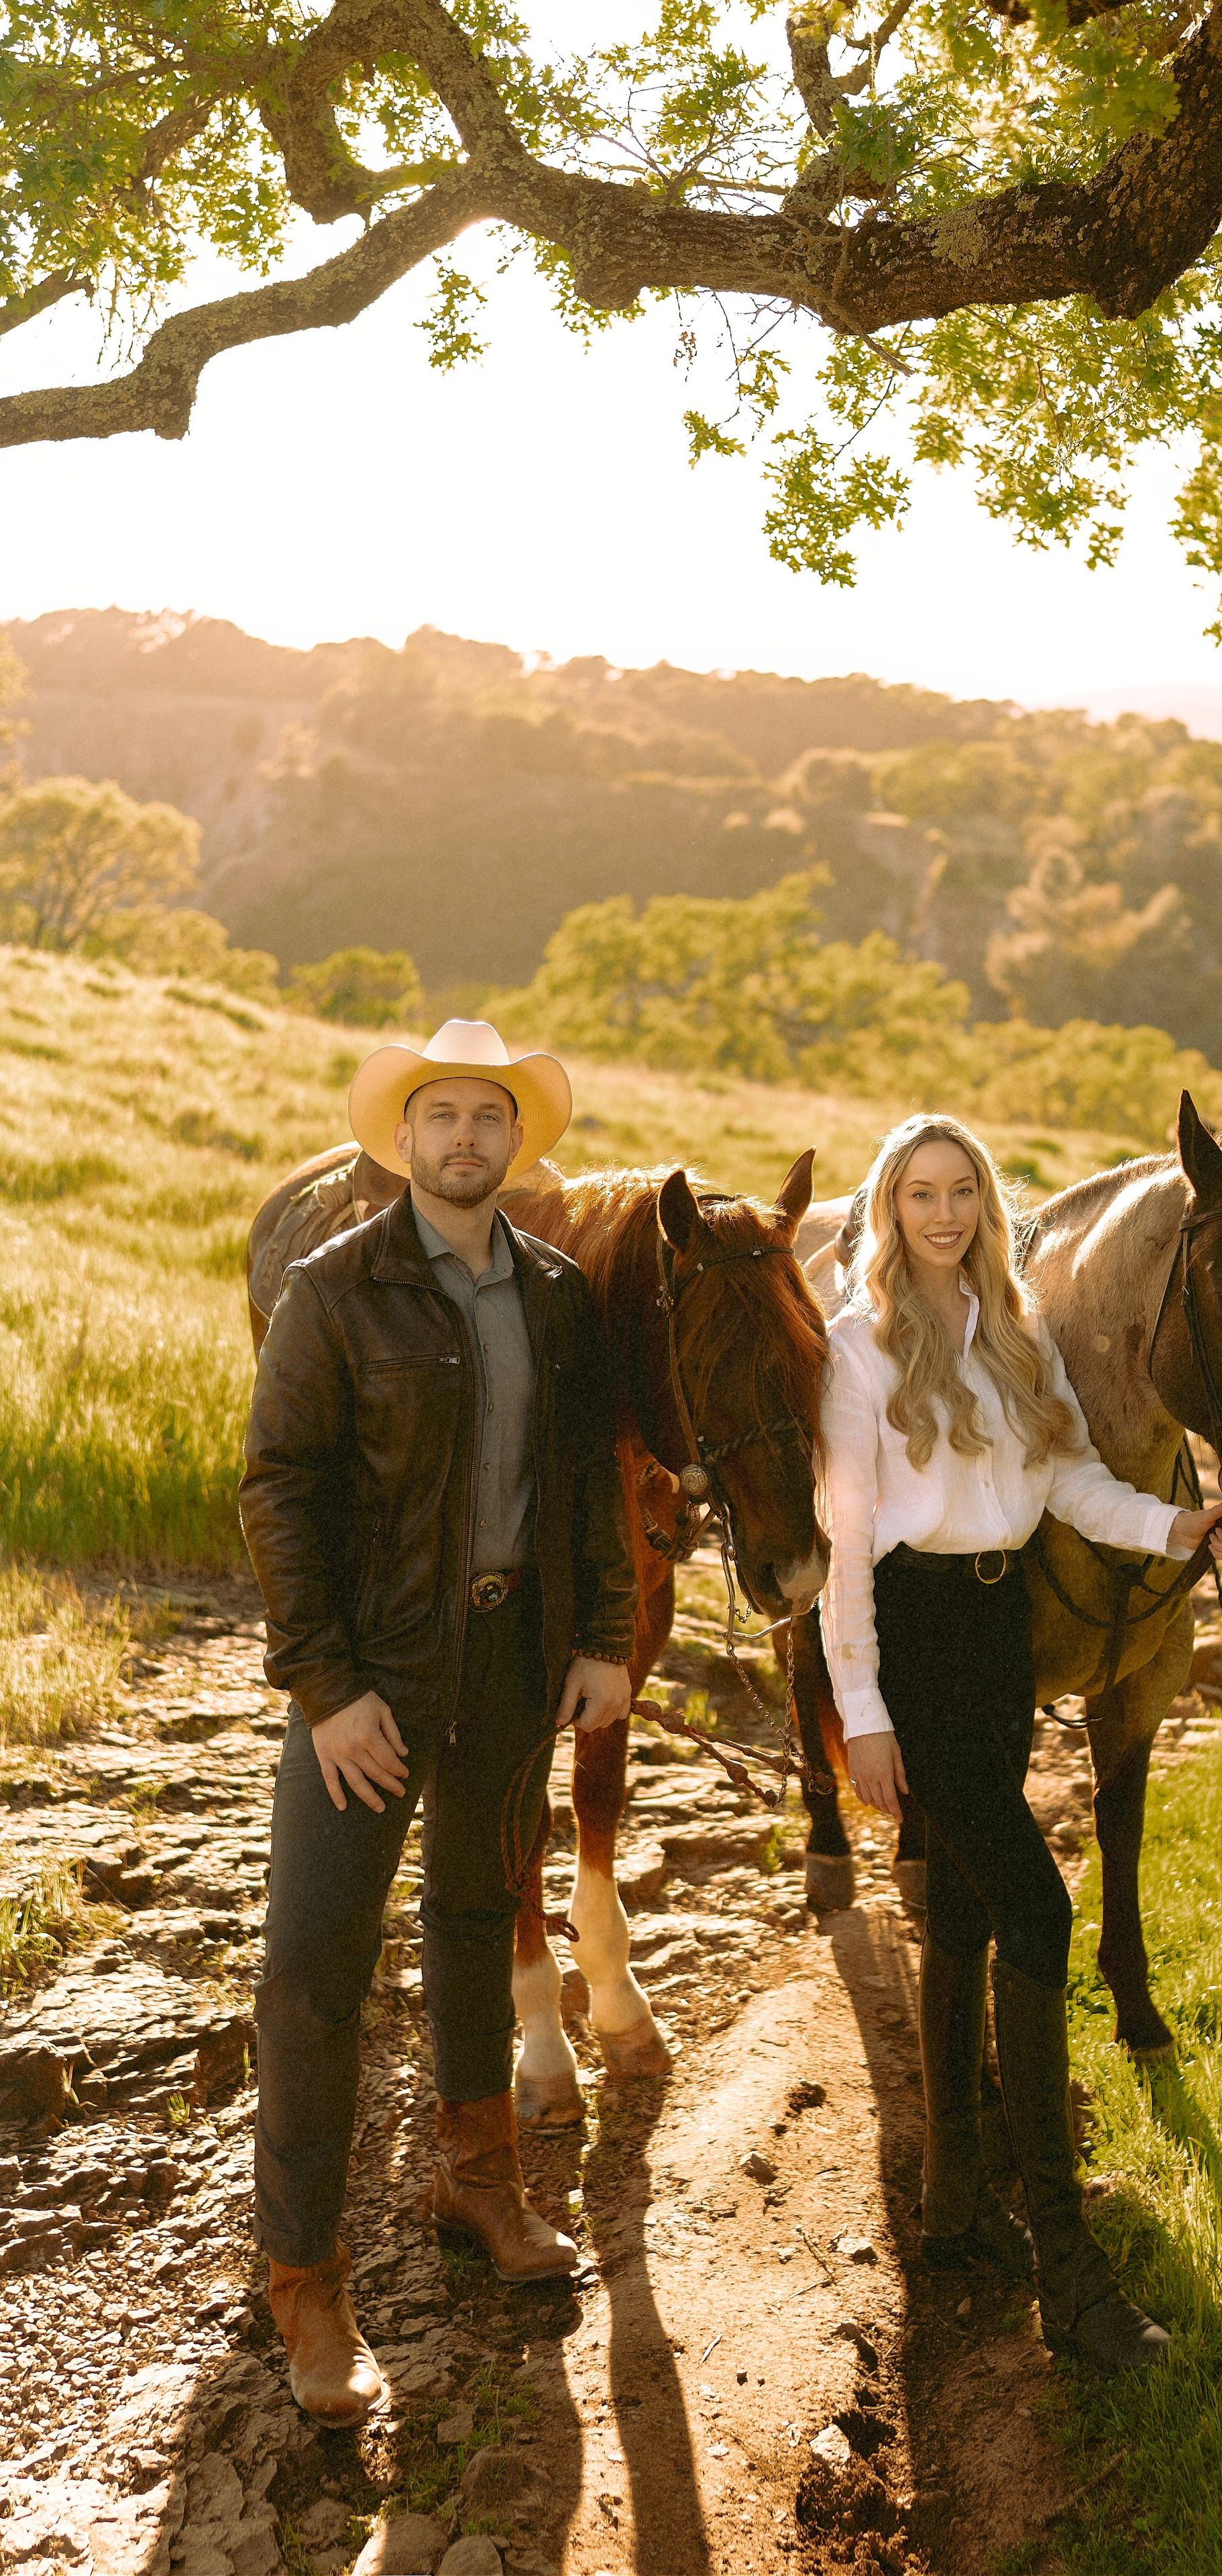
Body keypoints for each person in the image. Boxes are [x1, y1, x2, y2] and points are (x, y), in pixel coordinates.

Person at [240, 1019, 638, 2428]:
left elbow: (590, 1480)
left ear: (514, 1137)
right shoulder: (333, 1288)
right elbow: (278, 1487)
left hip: (514, 1664)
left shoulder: (552, 1295)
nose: (466, 1136)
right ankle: (304, 2274)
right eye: (441, 1116)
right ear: (402, 1137)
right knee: (312, 1972)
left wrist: (597, 1637)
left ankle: (477, 2182)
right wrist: (326, 1688)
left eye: (489, 1115)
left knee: (476, 1920)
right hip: (373, 1680)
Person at [820, 1112, 1222, 2373]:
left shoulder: (1015, 1331)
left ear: (988, 1206)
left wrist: (1175, 1533)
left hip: (1004, 1629)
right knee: (1039, 1911)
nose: (942, 1215)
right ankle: (1070, 2268)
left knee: (958, 1909)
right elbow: (847, 1549)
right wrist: (864, 1714)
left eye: (963, 1192)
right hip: (918, 1633)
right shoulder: (858, 1346)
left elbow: (1066, 1483)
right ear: (890, 1209)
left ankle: (954, 2206)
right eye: (920, 1195)